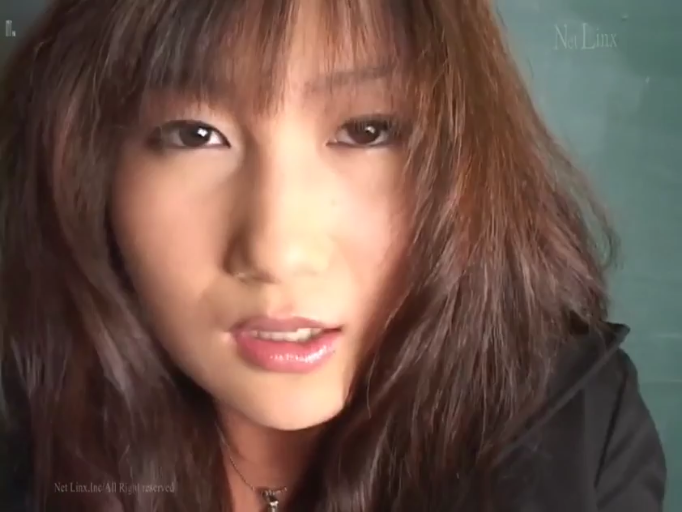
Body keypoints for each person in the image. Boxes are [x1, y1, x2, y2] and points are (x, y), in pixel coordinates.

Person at [0, 1, 667, 511]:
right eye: (194, 134)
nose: (279, 253)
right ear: (89, 168)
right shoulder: (24, 430)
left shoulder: (581, 435)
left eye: (366, 131)